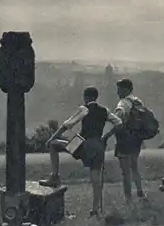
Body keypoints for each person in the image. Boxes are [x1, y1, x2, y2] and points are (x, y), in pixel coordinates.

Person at [39, 87, 122, 217]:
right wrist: (106, 137)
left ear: (86, 97)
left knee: (54, 145)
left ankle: (55, 176)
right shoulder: (104, 111)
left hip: (83, 143)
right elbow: (119, 123)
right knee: (96, 178)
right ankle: (95, 210)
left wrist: (51, 138)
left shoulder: (84, 109)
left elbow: (66, 125)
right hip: (98, 146)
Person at [106, 78, 148, 203]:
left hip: (124, 140)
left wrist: (107, 134)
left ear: (125, 89)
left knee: (125, 172)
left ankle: (128, 198)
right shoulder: (138, 101)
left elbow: (117, 121)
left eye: (119, 89)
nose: (117, 92)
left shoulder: (122, 103)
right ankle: (140, 192)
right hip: (136, 139)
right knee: (134, 167)